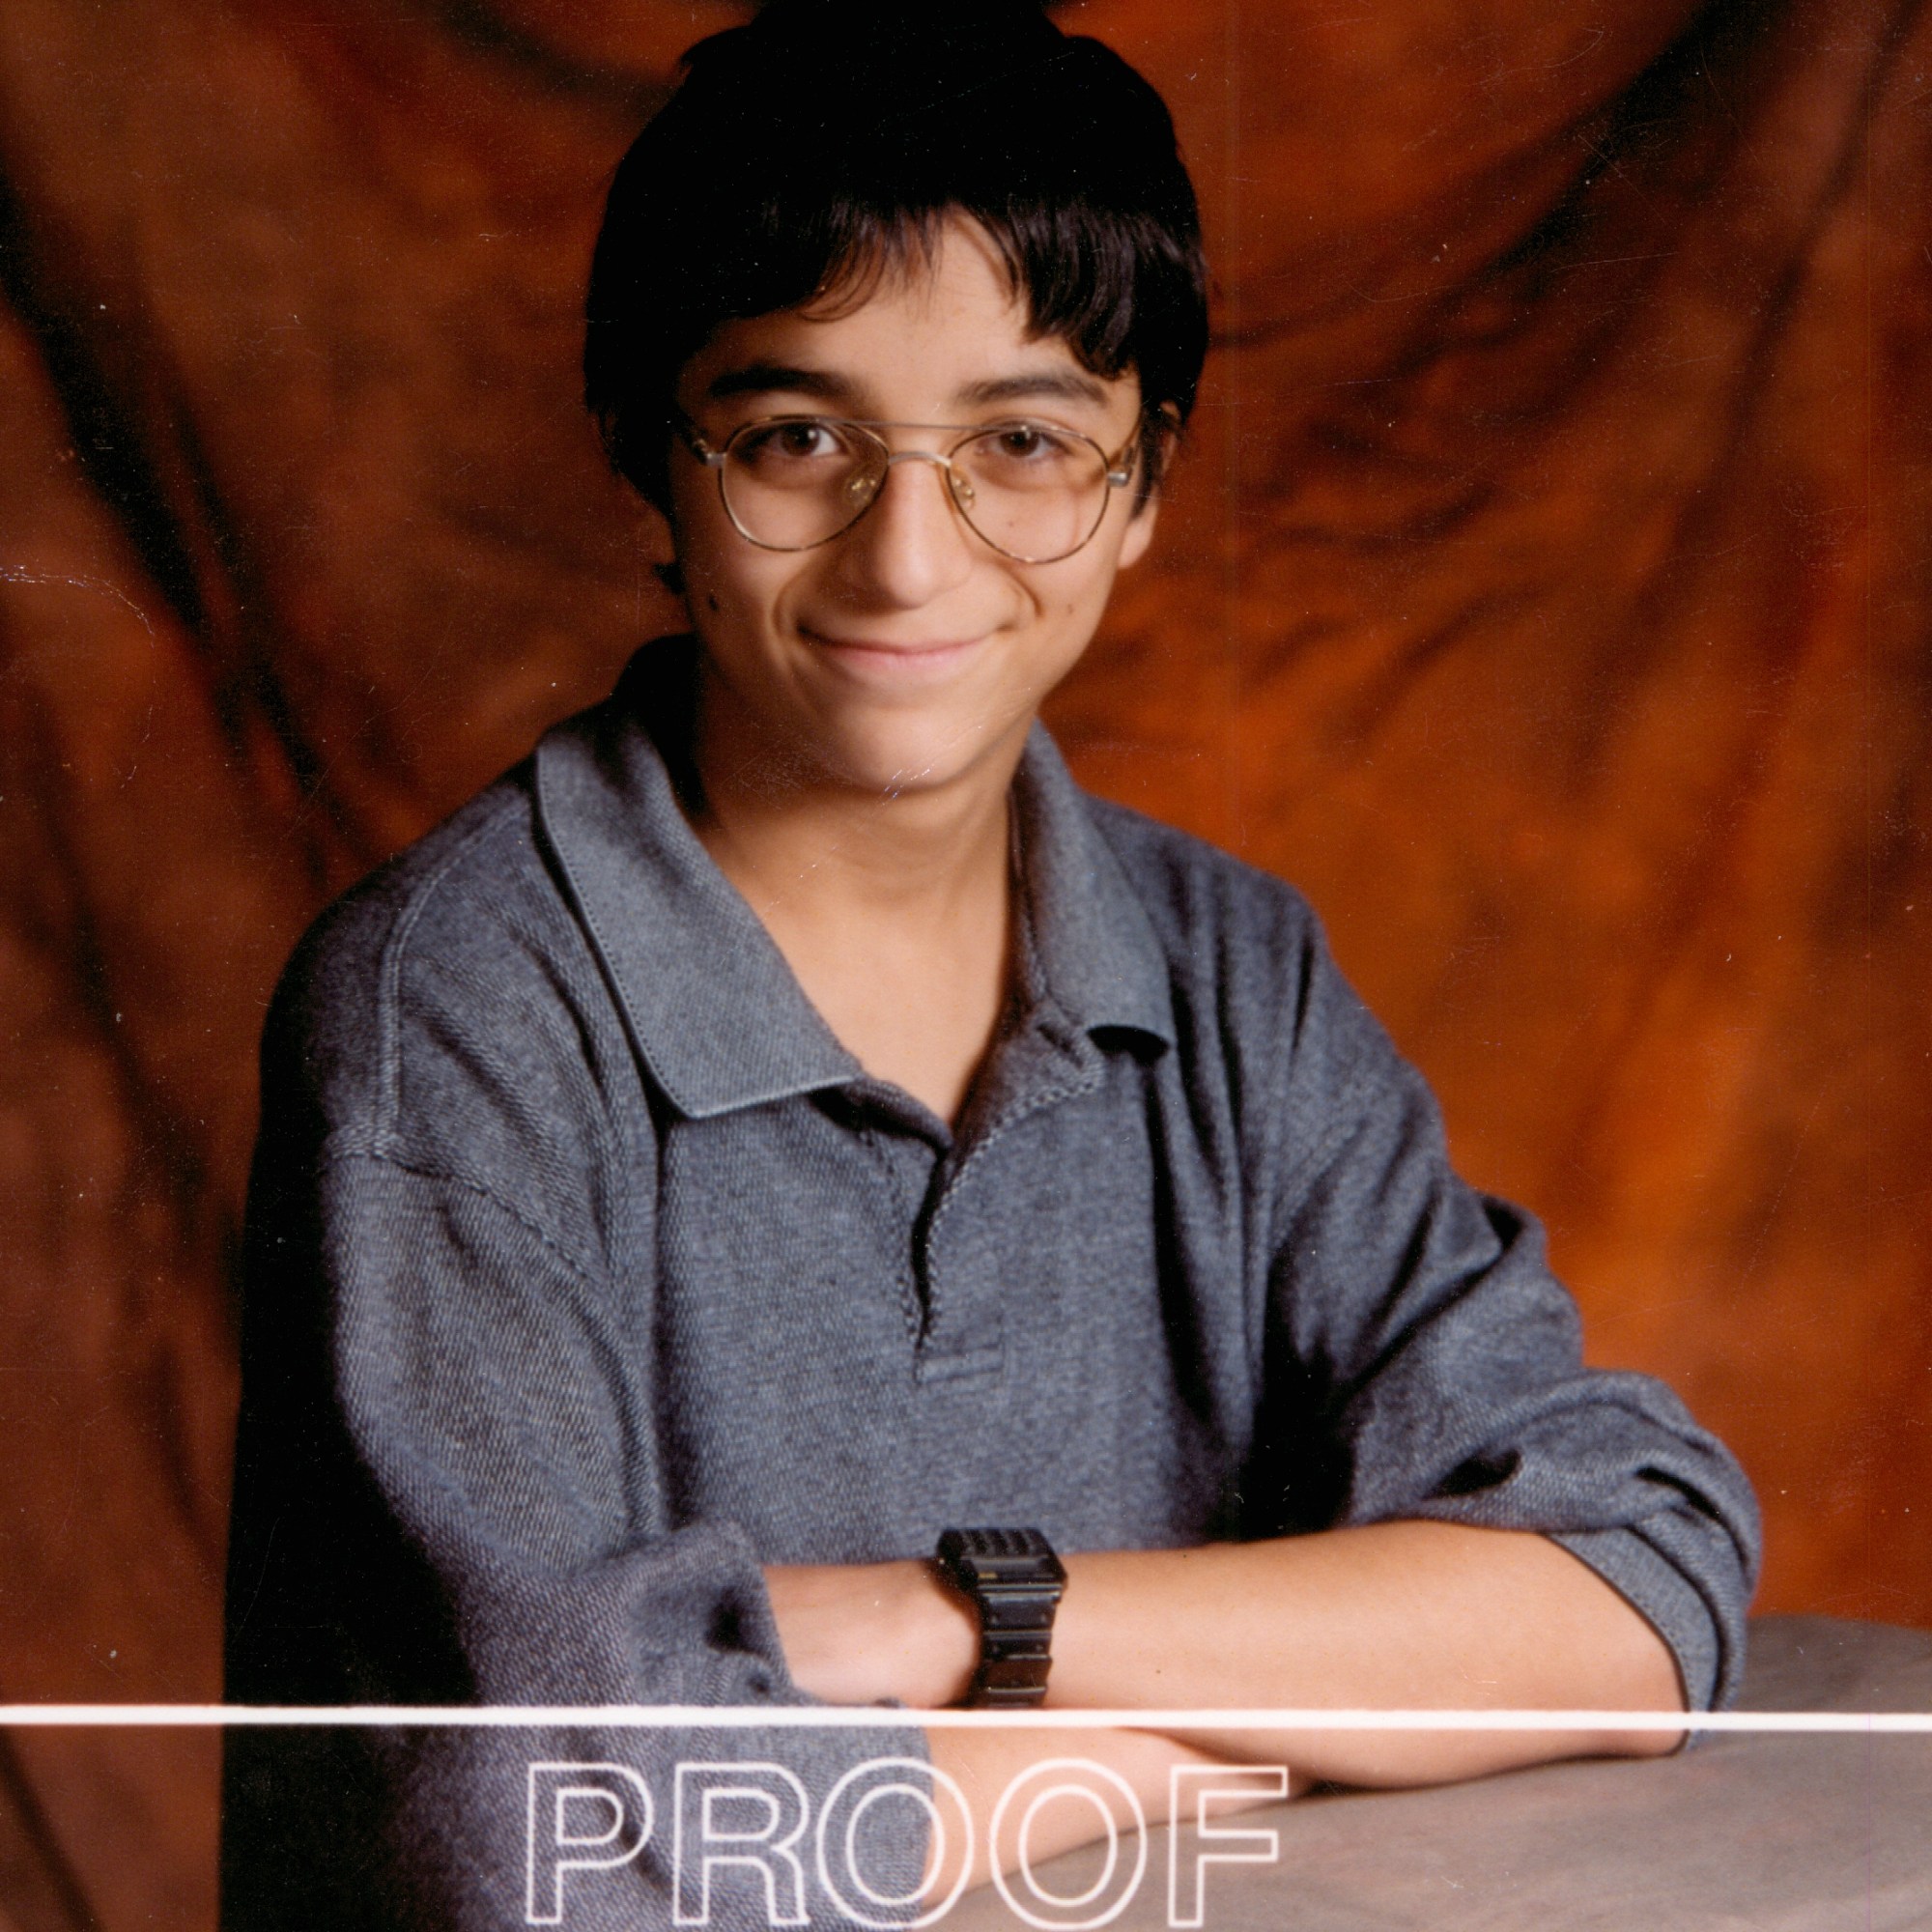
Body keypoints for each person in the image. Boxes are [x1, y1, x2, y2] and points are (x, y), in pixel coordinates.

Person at [220, 3, 1761, 1925]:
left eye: (1022, 442)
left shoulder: (1233, 976)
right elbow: (535, 1836)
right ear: (646, 462)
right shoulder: (446, 1012)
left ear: (1142, 487)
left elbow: (1634, 1580)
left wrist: (954, 1619)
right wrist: (1189, 1749)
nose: (907, 562)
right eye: (798, 438)